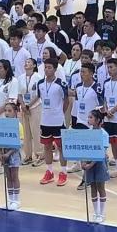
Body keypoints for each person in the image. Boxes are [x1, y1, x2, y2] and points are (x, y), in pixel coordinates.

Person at [36, 58, 70, 187]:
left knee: (61, 148)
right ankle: (49, 172)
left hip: (58, 121)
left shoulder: (61, 84)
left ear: (55, 69)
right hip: (45, 121)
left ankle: (63, 172)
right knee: (47, 146)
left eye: (49, 67)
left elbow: (66, 101)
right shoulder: (40, 83)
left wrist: (60, 113)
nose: (46, 70)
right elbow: (41, 98)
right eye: (45, 67)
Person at [82, 108, 111, 222]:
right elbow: (84, 148)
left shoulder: (104, 134)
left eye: (91, 117)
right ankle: (96, 212)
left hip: (99, 163)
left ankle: (102, 214)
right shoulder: (88, 133)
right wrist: (83, 161)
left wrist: (90, 164)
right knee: (93, 187)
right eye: (88, 117)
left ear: (98, 120)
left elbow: (102, 152)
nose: (88, 119)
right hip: (89, 161)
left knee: (100, 187)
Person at [0, 100, 24, 210]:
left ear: (15, 112)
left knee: (14, 176)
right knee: (8, 177)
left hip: (14, 154)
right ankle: (10, 199)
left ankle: (16, 200)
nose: (7, 113)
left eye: (10, 111)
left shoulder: (18, 125)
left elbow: (20, 142)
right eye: (5, 111)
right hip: (4, 154)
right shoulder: (3, 125)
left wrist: (9, 153)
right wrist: (0, 152)